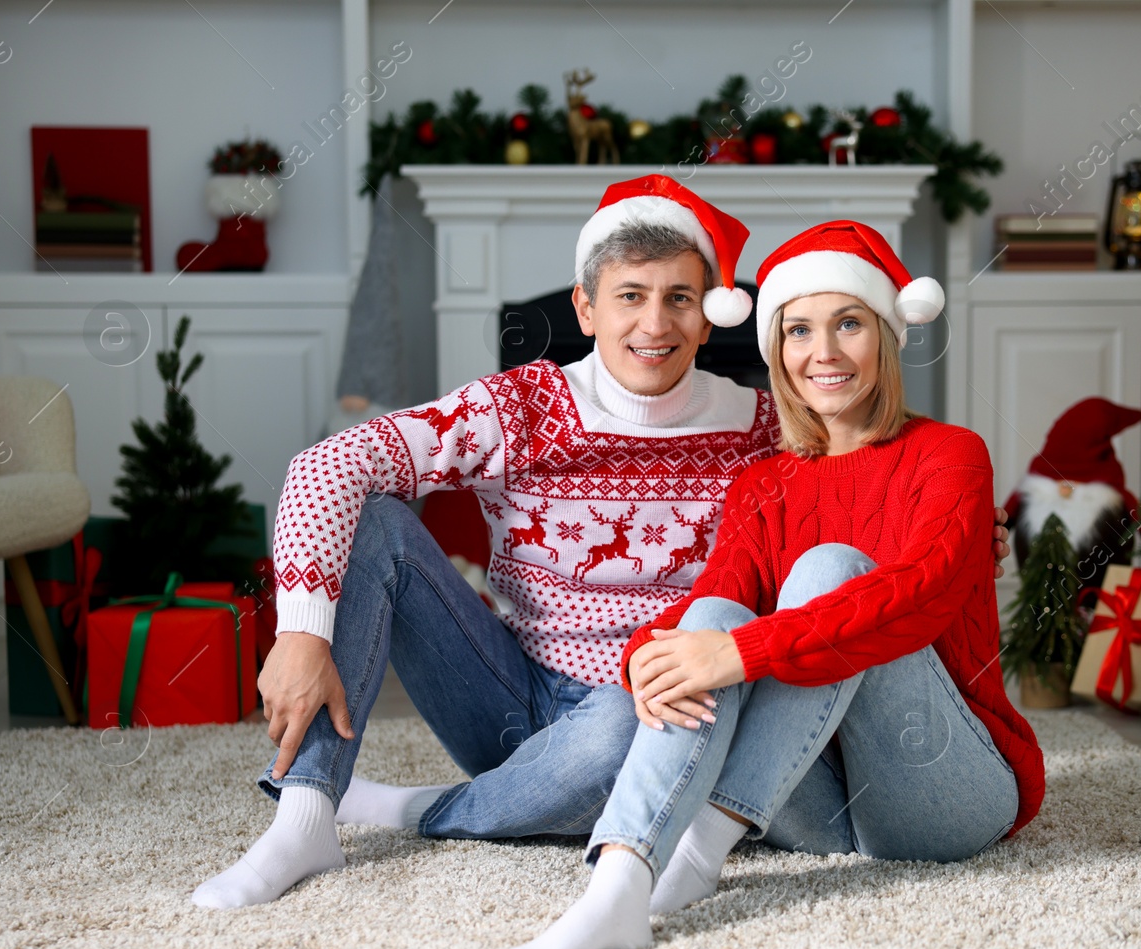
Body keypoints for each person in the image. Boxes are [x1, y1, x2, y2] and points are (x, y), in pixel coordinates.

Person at [190, 176, 1017, 909]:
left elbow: (842, 520)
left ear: (711, 314)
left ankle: (437, 809)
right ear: (585, 307)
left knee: (634, 722)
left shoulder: (765, 427)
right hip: (510, 695)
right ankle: (305, 812)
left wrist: (964, 532)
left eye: (680, 298)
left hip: (668, 708)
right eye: (629, 296)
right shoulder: (519, 405)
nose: (653, 323)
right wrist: (299, 629)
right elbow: (327, 463)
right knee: (372, 519)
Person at [498, 221, 1045, 949]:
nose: (823, 352)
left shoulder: (949, 453)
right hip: (810, 808)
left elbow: (921, 590)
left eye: (848, 323)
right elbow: (715, 605)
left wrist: (739, 650)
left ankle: (701, 848)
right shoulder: (764, 483)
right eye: (798, 330)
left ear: (885, 333)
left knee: (828, 573)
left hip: (945, 793)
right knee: (714, 617)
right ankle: (621, 880)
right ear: (777, 350)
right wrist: (645, 658)